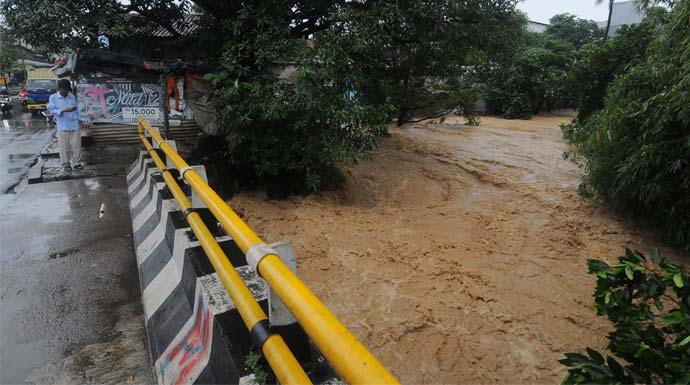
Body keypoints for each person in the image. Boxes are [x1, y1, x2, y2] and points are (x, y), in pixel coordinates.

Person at [47, 79, 82, 171]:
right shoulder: (53, 98)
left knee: (77, 145)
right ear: (59, 89)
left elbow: (76, 109)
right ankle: (66, 164)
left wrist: (81, 120)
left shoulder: (72, 96)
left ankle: (77, 162)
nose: (65, 92)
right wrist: (63, 110)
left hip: (74, 123)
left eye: (67, 90)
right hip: (62, 124)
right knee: (64, 146)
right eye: (63, 90)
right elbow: (52, 110)